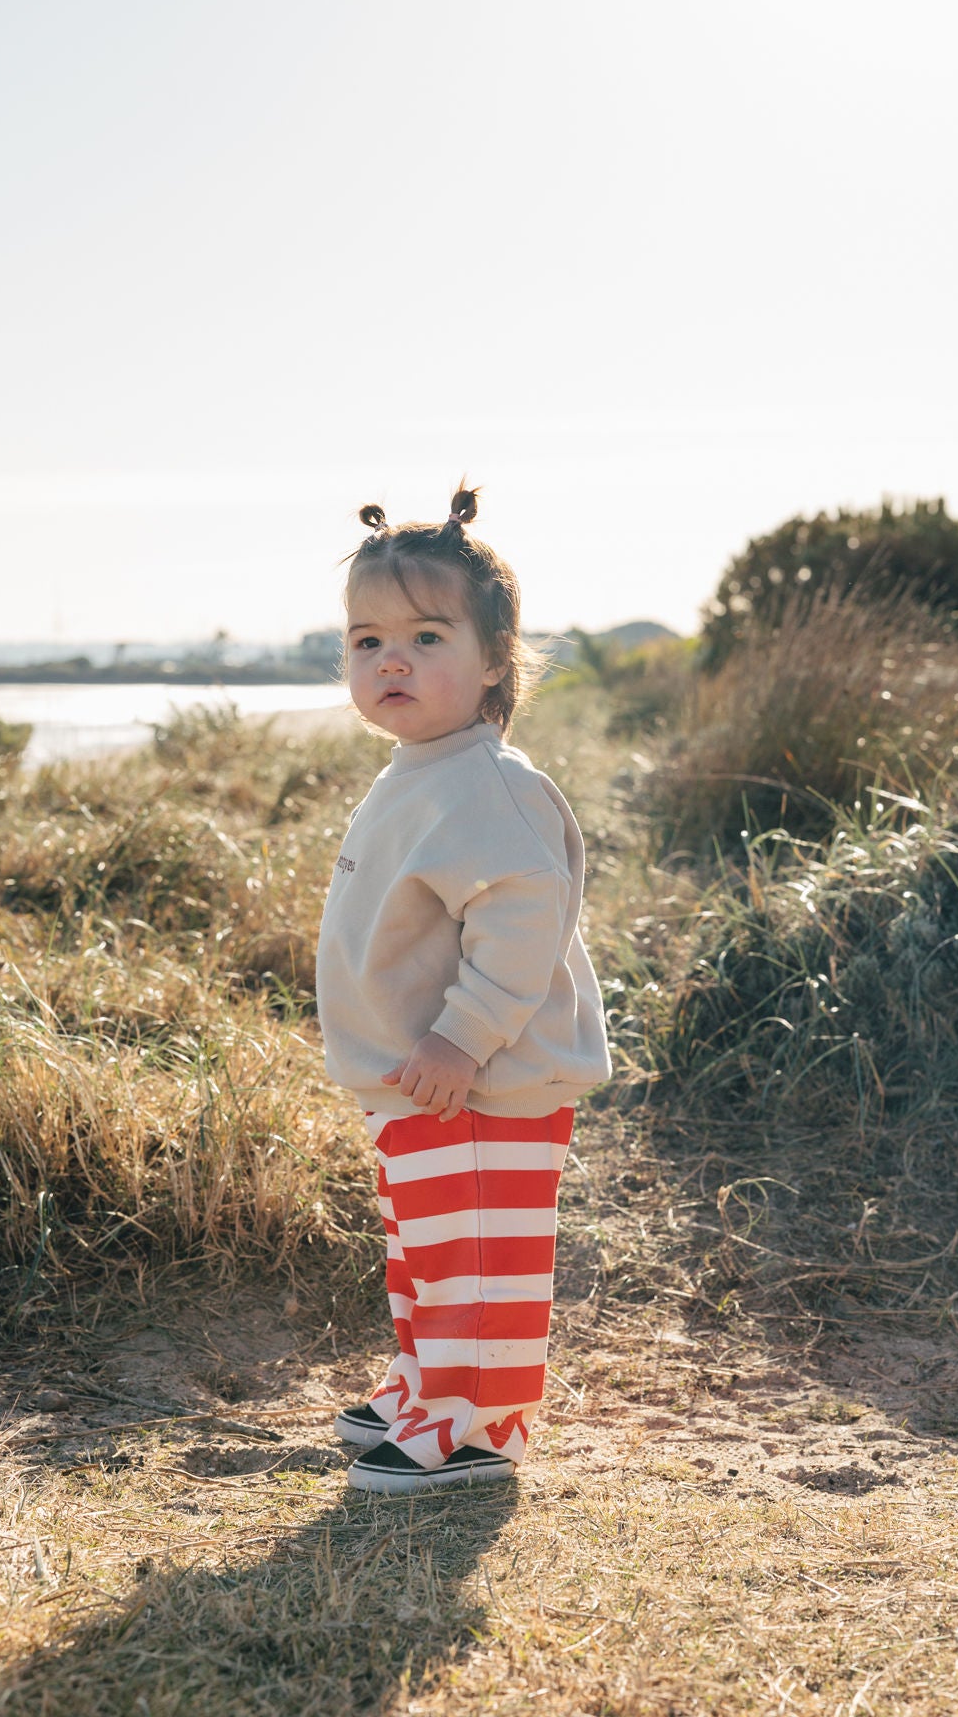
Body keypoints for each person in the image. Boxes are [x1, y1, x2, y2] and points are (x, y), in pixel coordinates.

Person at [315, 483, 612, 1495]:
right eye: (365, 640)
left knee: (479, 1256)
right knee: (429, 1254)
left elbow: (527, 920)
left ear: (495, 662)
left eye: (426, 636)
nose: (389, 659)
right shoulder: (421, 768)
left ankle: (477, 1428)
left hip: (481, 1079)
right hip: (425, 1081)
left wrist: (460, 1039)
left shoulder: (489, 782)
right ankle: (425, 1390)